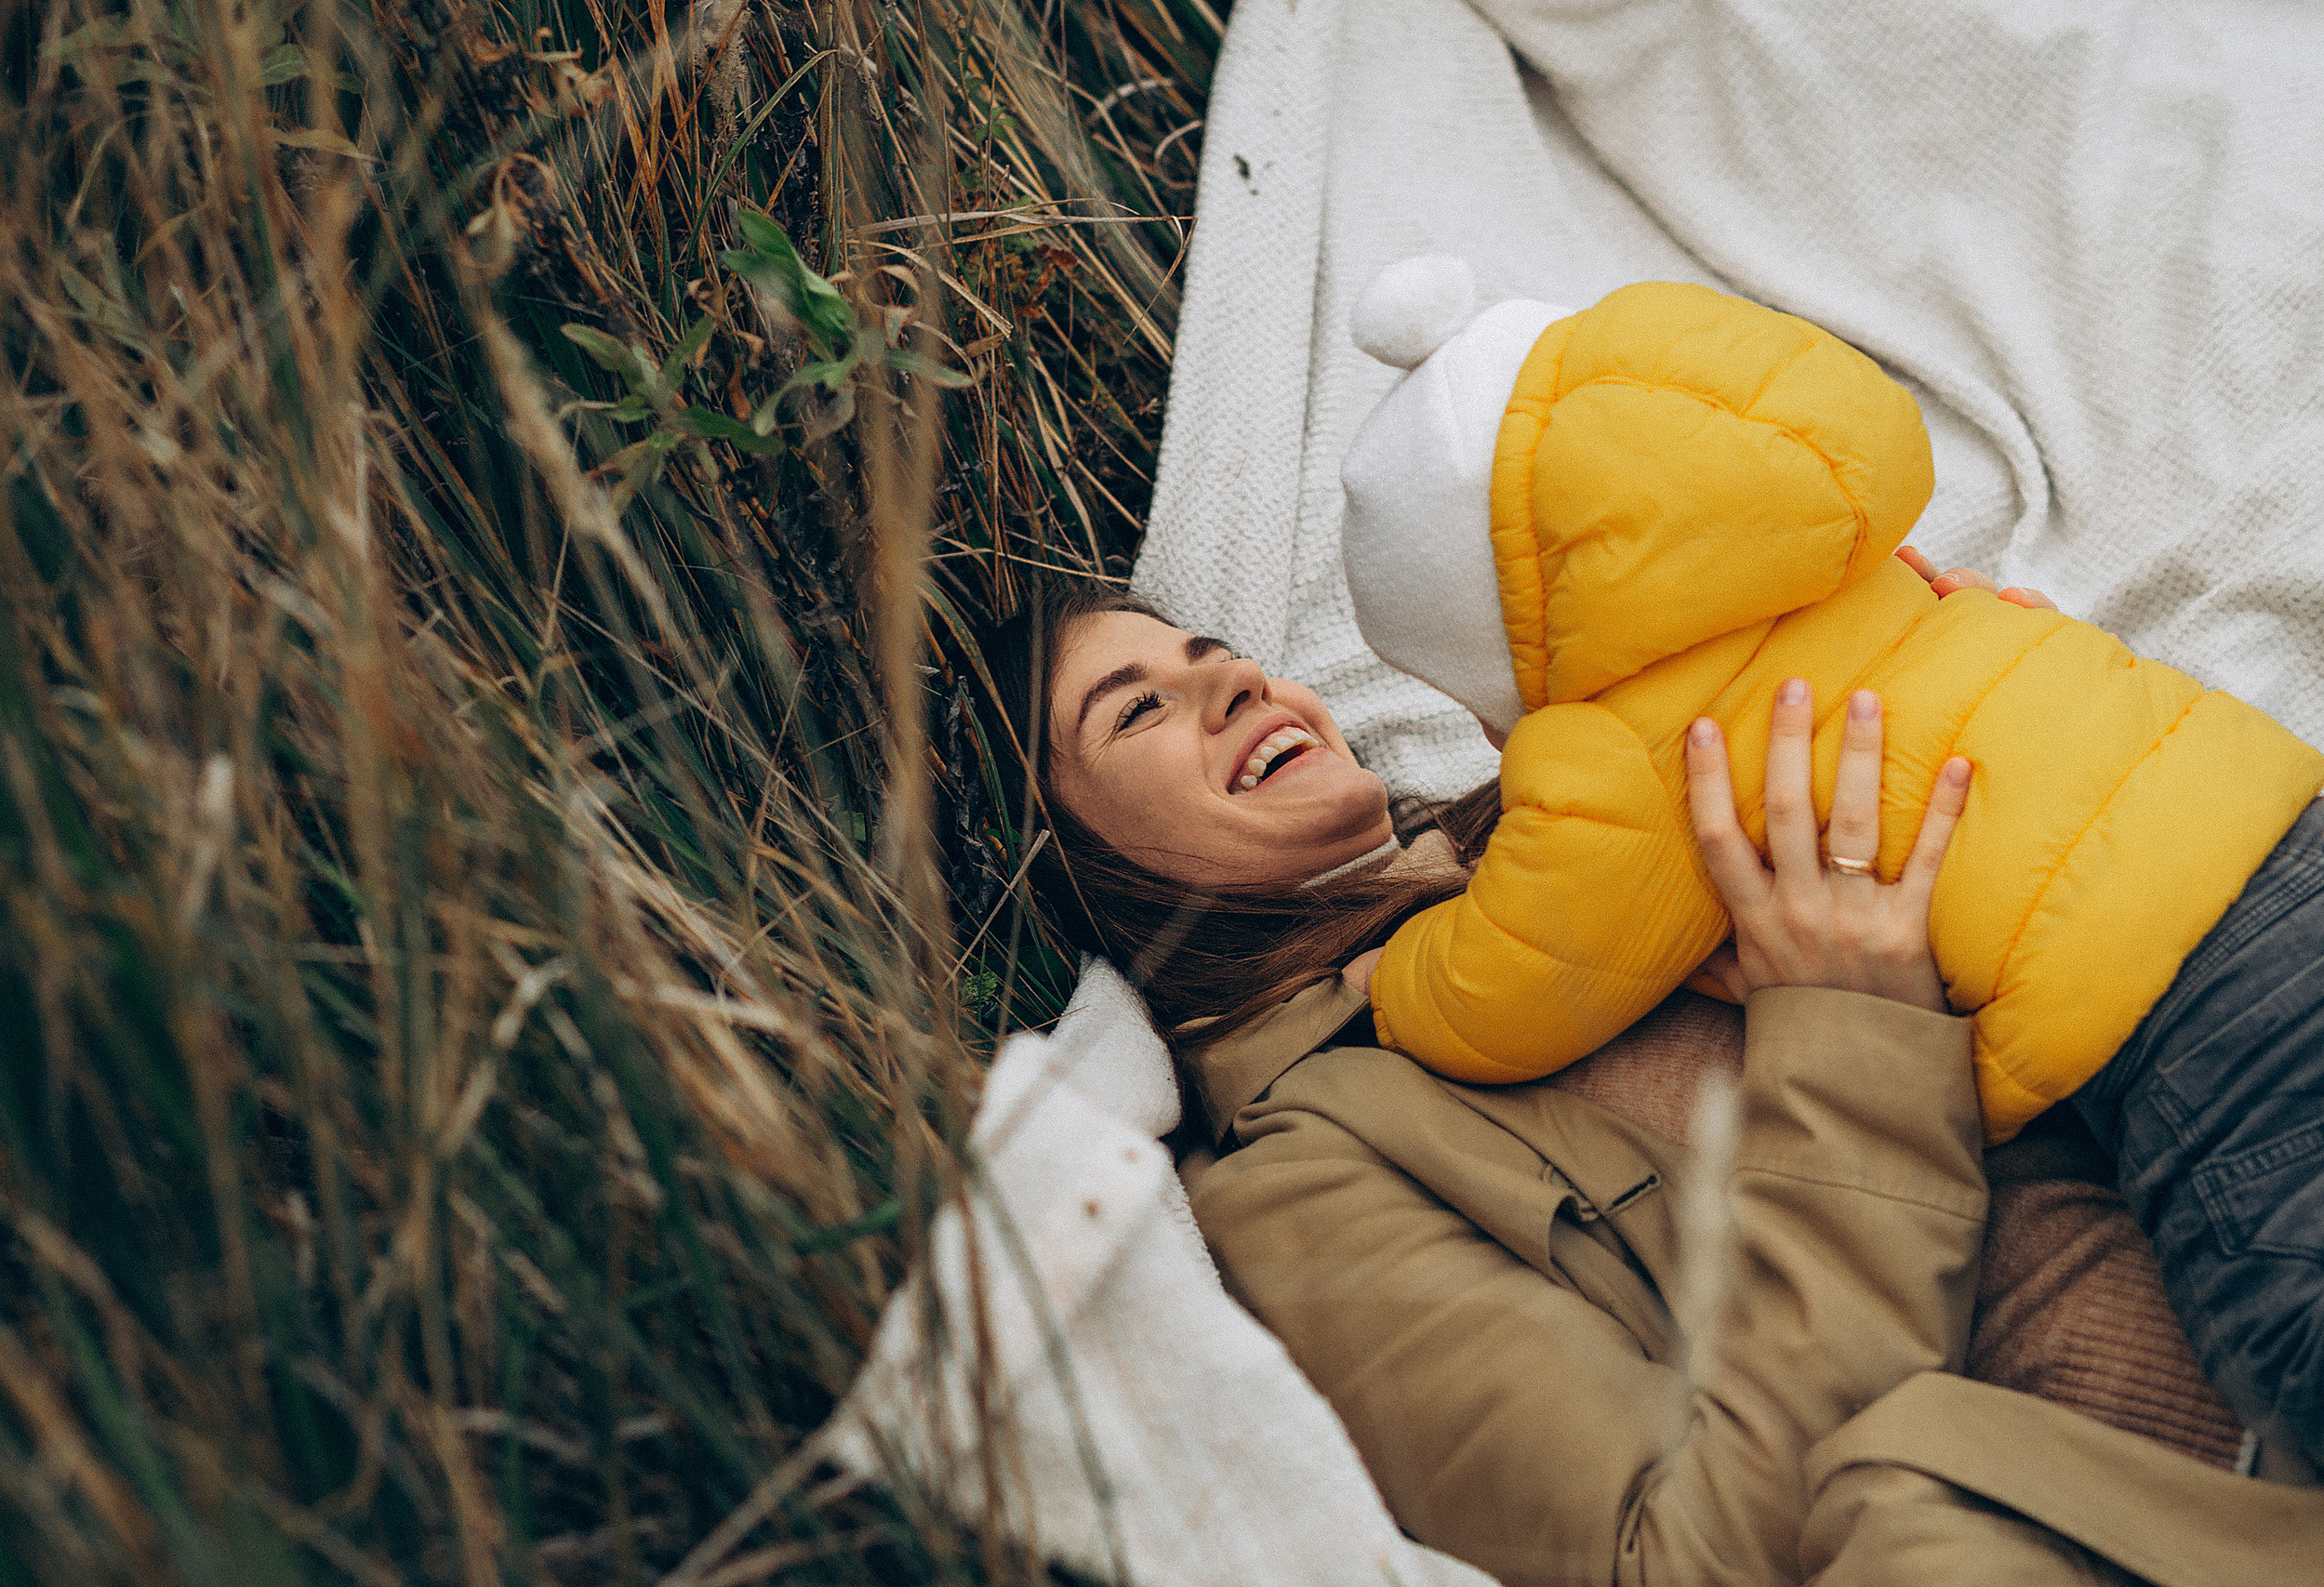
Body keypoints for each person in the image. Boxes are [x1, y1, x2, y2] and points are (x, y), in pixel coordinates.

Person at [971, 576, 2324, 1582]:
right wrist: (1845, 1035)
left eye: (1229, 656)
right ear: (1075, 866)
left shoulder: (1582, 809)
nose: (1240, 685)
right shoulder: (1298, 1174)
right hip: (2201, 1491)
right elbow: (1685, 1552)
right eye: (1139, 705)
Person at [1335, 265, 2324, 1457]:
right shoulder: (1878, 571)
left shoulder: (1618, 751)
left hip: (2179, 1014)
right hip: (2280, 808)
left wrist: (1400, 978)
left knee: (2293, 1344)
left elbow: (1521, 984)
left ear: (1513, 633)